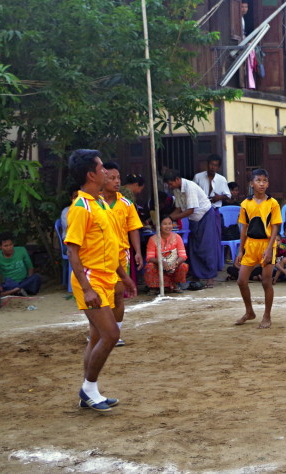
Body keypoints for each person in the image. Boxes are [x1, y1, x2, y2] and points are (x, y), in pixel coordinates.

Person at [63, 149, 136, 414]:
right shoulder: (80, 208)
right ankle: (89, 389)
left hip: (107, 278)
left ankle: (88, 393)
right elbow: (72, 251)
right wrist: (87, 288)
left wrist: (124, 276)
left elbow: (111, 245)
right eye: (102, 168)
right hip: (91, 281)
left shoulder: (101, 204)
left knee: (96, 337)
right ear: (91, 175)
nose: (107, 172)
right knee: (111, 334)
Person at [101, 161, 144, 347]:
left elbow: (133, 229)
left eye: (118, 177)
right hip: (98, 256)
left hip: (120, 254)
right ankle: (98, 332)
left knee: (118, 294)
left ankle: (115, 333)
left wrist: (138, 252)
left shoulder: (126, 203)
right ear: (102, 179)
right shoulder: (92, 203)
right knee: (100, 296)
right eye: (112, 178)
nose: (116, 181)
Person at [234, 169, 282, 328]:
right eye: (258, 180)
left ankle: (267, 315)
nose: (262, 183)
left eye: (265, 181)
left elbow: (275, 228)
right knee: (241, 281)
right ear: (251, 183)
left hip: (267, 244)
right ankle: (249, 312)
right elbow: (244, 228)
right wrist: (240, 250)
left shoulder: (272, 203)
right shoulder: (245, 204)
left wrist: (269, 249)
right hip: (250, 245)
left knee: (266, 282)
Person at [165, 170, 221, 288]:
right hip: (194, 220)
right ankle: (197, 274)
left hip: (205, 216)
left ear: (177, 179)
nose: (170, 187)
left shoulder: (190, 187)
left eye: (171, 184)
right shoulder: (177, 189)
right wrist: (169, 218)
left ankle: (210, 278)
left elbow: (190, 210)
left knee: (207, 247)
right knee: (194, 247)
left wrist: (170, 219)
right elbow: (178, 209)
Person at [0, 232, 42, 297]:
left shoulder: (21, 250)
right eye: (6, 246)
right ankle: (16, 291)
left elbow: (30, 267)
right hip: (8, 285)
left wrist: (29, 280)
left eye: (11, 244)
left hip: (23, 282)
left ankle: (8, 293)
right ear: (0, 247)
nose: (9, 247)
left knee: (36, 277)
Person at [145, 216, 189, 293]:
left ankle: (175, 284)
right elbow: (149, 258)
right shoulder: (153, 239)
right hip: (159, 266)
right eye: (165, 224)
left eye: (170, 224)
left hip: (173, 266)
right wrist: (161, 262)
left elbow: (183, 256)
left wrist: (175, 263)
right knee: (150, 266)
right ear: (159, 226)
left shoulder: (177, 237)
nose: (168, 226)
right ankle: (156, 287)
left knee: (183, 266)